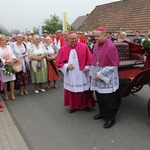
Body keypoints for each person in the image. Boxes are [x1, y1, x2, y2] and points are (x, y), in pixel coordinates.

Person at [56, 31, 95, 113]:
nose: (74, 40)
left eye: (75, 38)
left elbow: (90, 59)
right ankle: (73, 106)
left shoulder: (84, 47)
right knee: (72, 90)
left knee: (84, 89)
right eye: (72, 38)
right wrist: (66, 66)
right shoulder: (63, 49)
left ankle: (86, 105)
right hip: (71, 73)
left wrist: (87, 67)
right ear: (68, 39)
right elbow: (59, 63)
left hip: (82, 73)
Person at [90, 26, 120, 128]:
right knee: (99, 96)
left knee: (107, 99)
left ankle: (110, 118)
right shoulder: (95, 45)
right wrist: (93, 74)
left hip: (108, 77)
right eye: (95, 36)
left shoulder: (111, 46)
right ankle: (102, 113)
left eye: (98, 36)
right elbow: (94, 60)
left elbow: (113, 65)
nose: (96, 38)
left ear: (104, 35)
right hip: (97, 74)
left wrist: (101, 74)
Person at [0, 34, 16, 101]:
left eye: (4, 40)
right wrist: (5, 61)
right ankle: (6, 94)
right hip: (3, 66)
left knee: (12, 80)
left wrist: (12, 59)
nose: (4, 41)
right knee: (5, 81)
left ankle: (12, 94)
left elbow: (13, 55)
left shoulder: (8, 47)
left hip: (10, 65)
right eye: (2, 40)